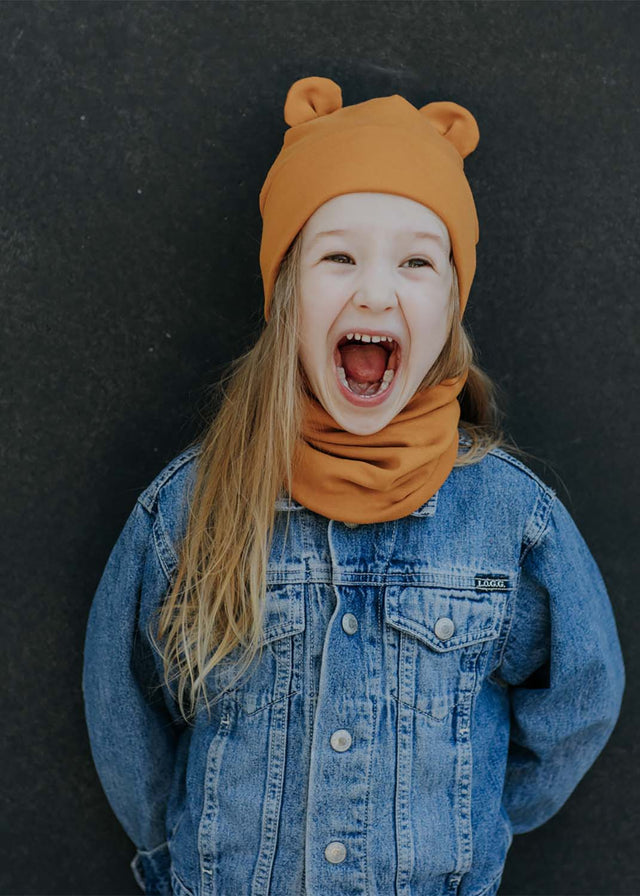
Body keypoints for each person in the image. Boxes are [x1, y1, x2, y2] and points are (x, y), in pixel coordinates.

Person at [82, 76, 626, 896]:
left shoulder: (513, 522)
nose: (375, 289)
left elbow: (581, 701)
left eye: (416, 261)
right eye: (338, 256)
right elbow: (124, 709)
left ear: (450, 304)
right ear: (284, 295)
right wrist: (184, 852)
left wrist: (476, 822)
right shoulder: (188, 510)